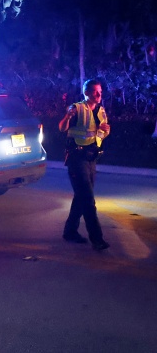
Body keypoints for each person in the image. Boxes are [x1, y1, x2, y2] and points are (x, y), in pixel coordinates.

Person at [58, 79, 111, 251]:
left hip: (91, 158)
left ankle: (70, 231)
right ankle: (97, 239)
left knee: (81, 196)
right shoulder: (77, 108)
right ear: (86, 92)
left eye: (100, 91)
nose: (99, 94)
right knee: (88, 199)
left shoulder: (101, 111)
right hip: (76, 158)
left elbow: (100, 134)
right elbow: (61, 127)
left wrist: (104, 133)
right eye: (95, 91)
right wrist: (68, 116)